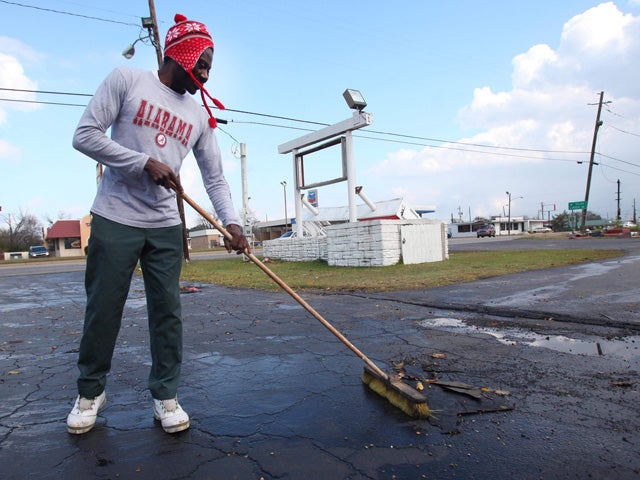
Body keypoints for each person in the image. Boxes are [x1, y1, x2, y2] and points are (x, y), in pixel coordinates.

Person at [67, 13, 250, 435]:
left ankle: (165, 395)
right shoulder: (128, 80)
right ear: (180, 53)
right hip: (115, 215)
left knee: (167, 312)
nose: (206, 73)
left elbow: (215, 177)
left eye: (210, 66)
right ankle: (90, 391)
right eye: (202, 63)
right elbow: (85, 135)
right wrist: (141, 162)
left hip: (166, 225)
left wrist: (233, 224)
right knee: (103, 309)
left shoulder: (200, 117)